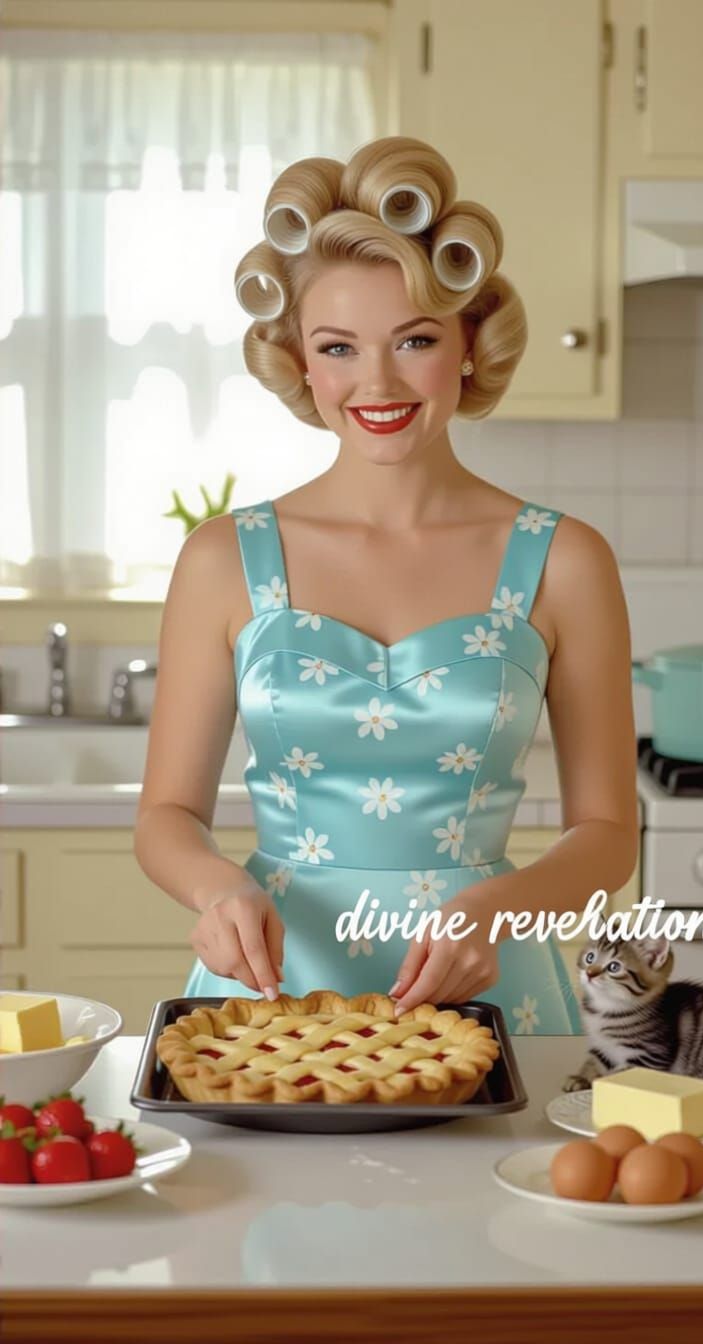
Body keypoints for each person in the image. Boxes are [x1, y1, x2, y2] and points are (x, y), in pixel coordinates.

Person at [133, 135, 638, 1034]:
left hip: (490, 988)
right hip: (273, 992)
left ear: (469, 344)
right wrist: (216, 889)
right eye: (338, 347)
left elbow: (607, 834)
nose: (377, 382)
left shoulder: (565, 559)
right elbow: (167, 815)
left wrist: (500, 909)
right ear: (301, 360)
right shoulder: (223, 559)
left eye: (415, 340)